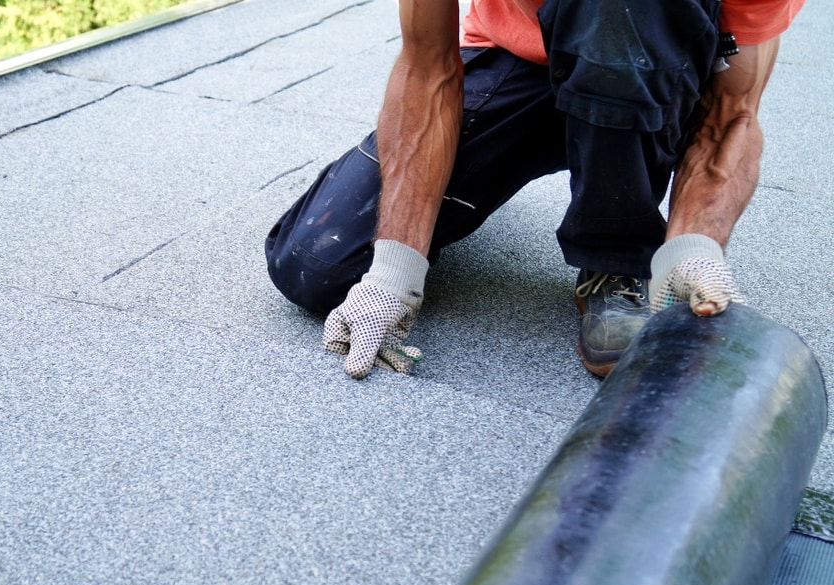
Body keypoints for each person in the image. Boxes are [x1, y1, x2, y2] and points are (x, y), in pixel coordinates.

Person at [265, 0, 802, 379]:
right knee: (317, 264)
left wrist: (693, 244)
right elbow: (427, 68)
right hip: (519, 64)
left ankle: (614, 256)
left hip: (650, 80)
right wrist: (393, 269)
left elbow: (732, 112)